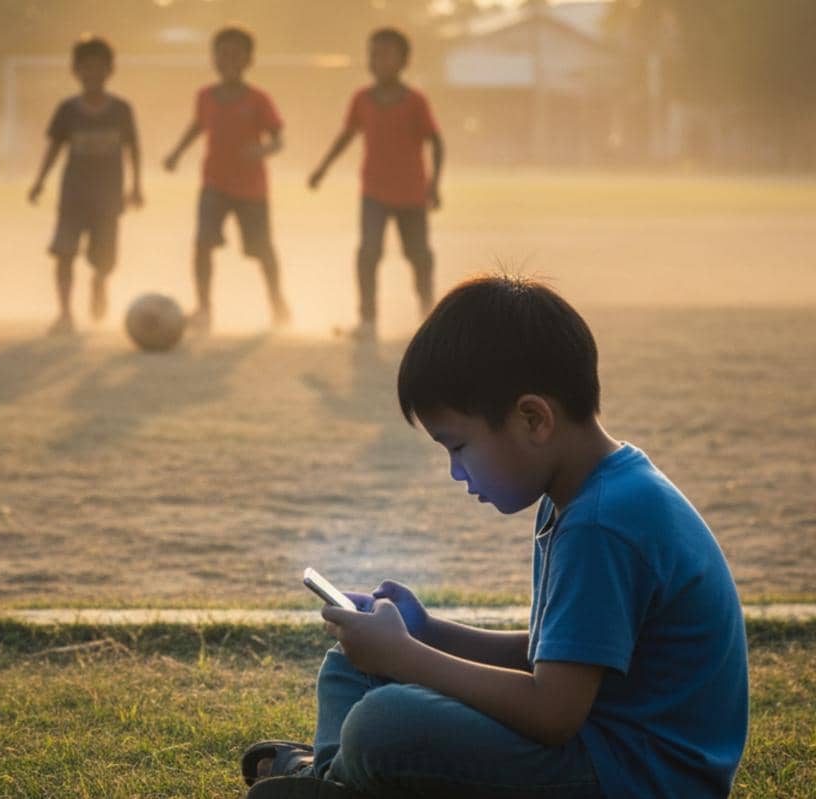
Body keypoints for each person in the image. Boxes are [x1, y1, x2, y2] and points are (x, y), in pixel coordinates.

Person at [243, 275, 749, 798]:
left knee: (387, 721)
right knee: (350, 666)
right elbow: (554, 657)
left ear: (533, 418)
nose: (455, 472)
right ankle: (329, 781)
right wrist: (428, 631)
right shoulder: (586, 493)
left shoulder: (602, 523)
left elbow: (553, 711)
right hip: (602, 751)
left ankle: (326, 779)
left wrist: (406, 656)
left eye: (458, 446)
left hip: (638, 778)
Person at [309, 27, 443, 341]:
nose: (377, 60)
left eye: (385, 54)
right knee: (368, 252)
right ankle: (367, 320)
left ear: (403, 61)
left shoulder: (415, 101)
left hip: (412, 194)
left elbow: (436, 142)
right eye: (372, 54)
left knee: (419, 255)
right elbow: (346, 136)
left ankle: (428, 316)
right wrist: (322, 168)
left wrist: (434, 184)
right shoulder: (362, 99)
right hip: (374, 193)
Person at [163, 25, 290, 335]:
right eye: (223, 54)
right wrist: (177, 153)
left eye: (237, 55)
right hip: (214, 184)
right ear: (214, 59)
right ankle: (204, 308)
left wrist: (262, 150)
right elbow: (197, 126)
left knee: (261, 249)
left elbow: (278, 140)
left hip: (251, 189)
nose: (229, 60)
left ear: (249, 60)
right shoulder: (205, 96)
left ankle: (277, 303)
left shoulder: (259, 99)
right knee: (203, 243)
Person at [29, 35, 142, 336]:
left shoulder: (121, 110)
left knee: (105, 259)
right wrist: (39, 181)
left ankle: (99, 282)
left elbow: (133, 148)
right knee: (64, 252)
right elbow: (54, 148)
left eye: (99, 67)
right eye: (86, 67)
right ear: (76, 71)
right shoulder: (67, 110)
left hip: (108, 197)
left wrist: (136, 186)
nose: (93, 74)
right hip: (73, 196)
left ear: (110, 70)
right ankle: (65, 313)